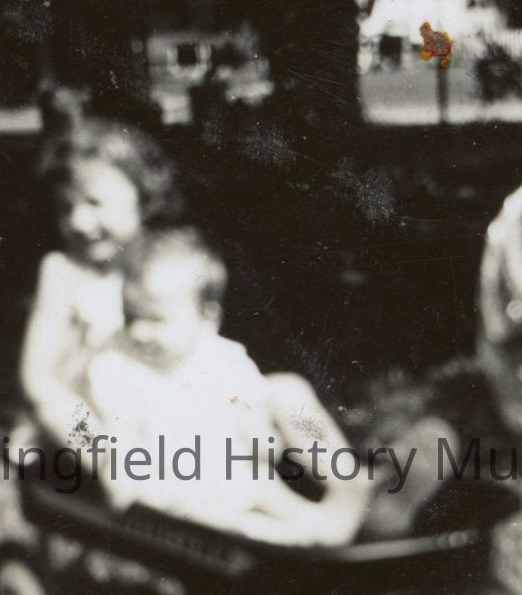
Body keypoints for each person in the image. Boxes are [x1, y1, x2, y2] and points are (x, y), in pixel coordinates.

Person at [84, 229, 444, 546]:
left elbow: (259, 430)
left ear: (207, 317)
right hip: (181, 491)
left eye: (156, 319)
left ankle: (349, 483)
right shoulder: (119, 366)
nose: (138, 331)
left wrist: (262, 434)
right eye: (131, 316)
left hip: (243, 471)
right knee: (246, 520)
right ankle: (310, 536)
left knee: (287, 391)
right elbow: (119, 436)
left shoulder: (220, 355)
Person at [16, 101, 179, 448]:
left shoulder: (167, 264)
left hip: (159, 410)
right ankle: (114, 467)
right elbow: (38, 378)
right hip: (89, 421)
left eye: (93, 203)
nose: (78, 221)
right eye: (65, 207)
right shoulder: (64, 272)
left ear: (144, 197)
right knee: (55, 409)